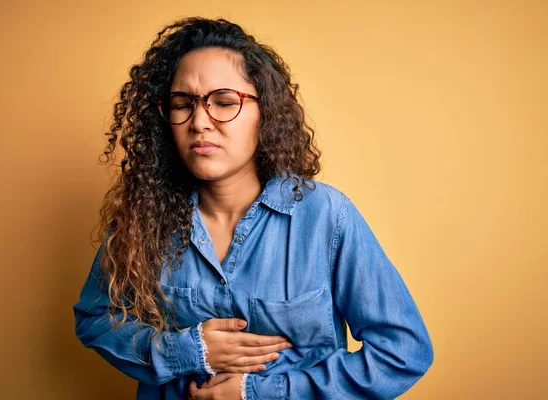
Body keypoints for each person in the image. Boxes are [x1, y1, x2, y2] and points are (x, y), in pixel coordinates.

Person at [73, 17, 434, 400]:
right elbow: (96, 319)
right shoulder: (143, 218)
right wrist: (188, 351)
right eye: (183, 104)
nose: (199, 123)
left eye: (224, 102)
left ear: (266, 114)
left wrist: (264, 391)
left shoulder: (325, 216)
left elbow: (403, 352)